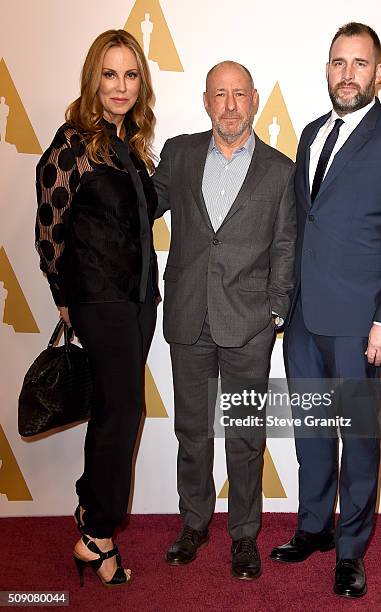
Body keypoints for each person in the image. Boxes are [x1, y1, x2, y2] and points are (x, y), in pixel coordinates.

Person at [270, 22, 381, 598]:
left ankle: (352, 549)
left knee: (358, 437)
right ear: (328, 69)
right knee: (312, 431)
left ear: (379, 73)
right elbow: (302, 223)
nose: (347, 73)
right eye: (338, 62)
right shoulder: (311, 134)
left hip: (362, 323)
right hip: (306, 319)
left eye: (359, 63)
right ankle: (314, 527)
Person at [153, 60, 296, 580]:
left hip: (248, 326)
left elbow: (285, 247)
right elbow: (141, 205)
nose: (230, 105)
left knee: (244, 435)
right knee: (192, 432)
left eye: (239, 94)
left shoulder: (281, 171)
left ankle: (243, 535)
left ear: (254, 99)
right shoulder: (179, 153)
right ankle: (193, 523)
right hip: (188, 318)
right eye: (220, 94)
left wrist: (274, 311)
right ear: (205, 100)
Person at [35, 29, 159, 588]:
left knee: (115, 411)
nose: (121, 86)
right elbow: (49, 226)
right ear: (93, 79)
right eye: (110, 74)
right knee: (125, 410)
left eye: (131, 75)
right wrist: (64, 296)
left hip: (139, 298)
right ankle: (98, 533)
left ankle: (92, 520)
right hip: (97, 296)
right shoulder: (72, 143)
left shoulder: (129, 144)